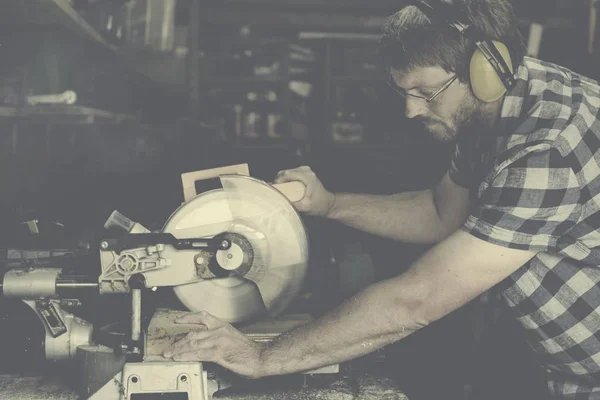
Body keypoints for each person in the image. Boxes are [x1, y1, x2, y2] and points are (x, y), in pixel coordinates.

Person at [164, 0, 600, 398]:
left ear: (486, 69)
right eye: (402, 92)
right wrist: (331, 204)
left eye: (424, 92)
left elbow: (418, 299)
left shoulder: (546, 151)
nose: (411, 111)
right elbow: (438, 213)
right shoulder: (493, 112)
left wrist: (260, 358)